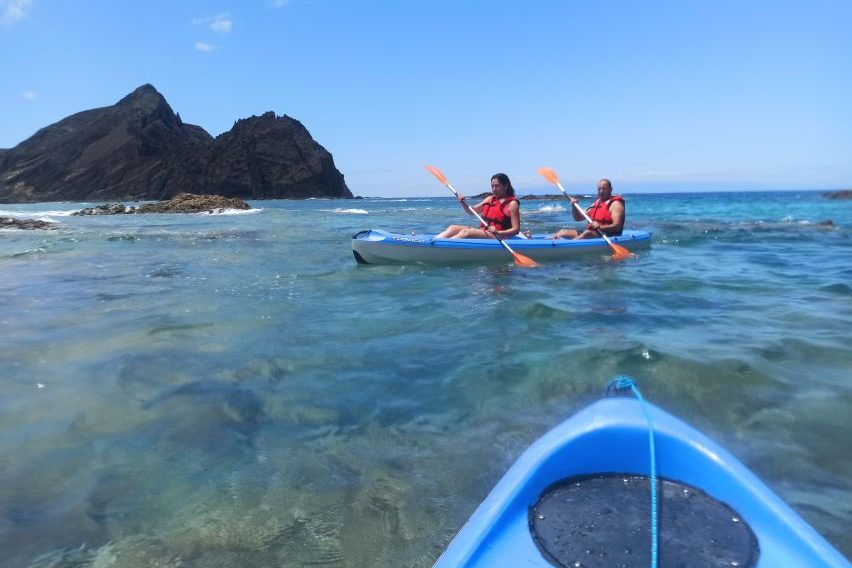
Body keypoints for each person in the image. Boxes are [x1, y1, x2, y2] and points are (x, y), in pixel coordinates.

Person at [436, 173, 521, 239]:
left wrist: (499, 233)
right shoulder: (489, 199)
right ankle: (435, 241)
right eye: (492, 186)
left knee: (466, 232)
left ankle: (444, 246)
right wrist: (463, 202)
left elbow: (516, 230)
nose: (494, 189)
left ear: (505, 186)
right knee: (452, 228)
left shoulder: (512, 204)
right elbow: (471, 211)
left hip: (499, 235)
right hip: (485, 232)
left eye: (497, 186)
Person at [551, 178, 624, 239]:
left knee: (587, 233)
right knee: (563, 232)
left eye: (604, 189)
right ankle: (548, 242)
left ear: (610, 189)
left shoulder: (616, 204)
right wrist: (574, 206)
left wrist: (600, 227)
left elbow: (617, 227)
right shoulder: (596, 203)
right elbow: (578, 218)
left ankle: (567, 247)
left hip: (609, 235)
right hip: (594, 233)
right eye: (599, 189)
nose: (601, 191)